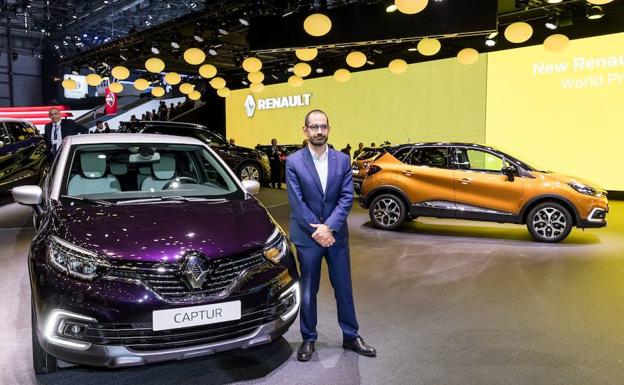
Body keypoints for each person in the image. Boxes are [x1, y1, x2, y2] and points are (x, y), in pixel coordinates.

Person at [286, 109, 377, 362]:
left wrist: (330, 228)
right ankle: (308, 338)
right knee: (309, 289)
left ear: (329, 129)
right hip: (308, 237)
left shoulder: (342, 160)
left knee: (343, 287)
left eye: (323, 126)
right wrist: (318, 230)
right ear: (305, 130)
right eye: (313, 127)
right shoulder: (293, 162)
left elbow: (347, 197)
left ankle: (351, 335)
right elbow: (297, 201)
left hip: (335, 236)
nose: (318, 131)